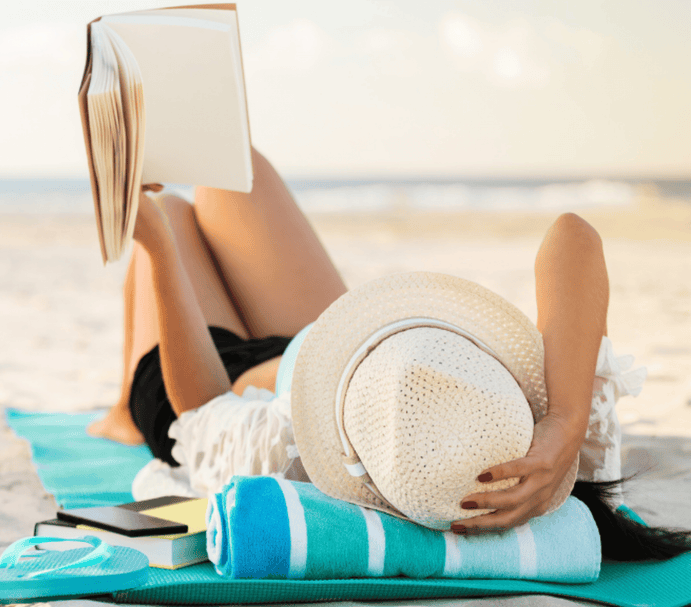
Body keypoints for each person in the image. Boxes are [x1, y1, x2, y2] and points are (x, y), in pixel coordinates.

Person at [87, 148, 690, 558]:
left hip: (219, 371)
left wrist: (158, 249)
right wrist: (564, 419)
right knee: (228, 170)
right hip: (335, 346)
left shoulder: (293, 458)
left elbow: (200, 414)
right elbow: (573, 236)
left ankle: (123, 406)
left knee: (169, 214)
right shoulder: (550, 448)